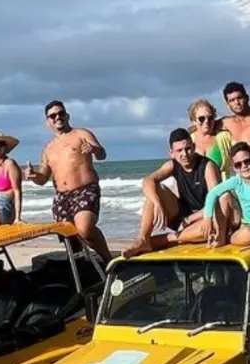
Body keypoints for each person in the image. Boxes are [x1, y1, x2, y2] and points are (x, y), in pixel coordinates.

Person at [24, 100, 112, 262]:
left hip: (85, 189)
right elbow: (43, 178)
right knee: (70, 238)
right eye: (53, 115)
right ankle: (85, 268)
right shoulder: (48, 149)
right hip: (62, 197)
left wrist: (94, 149)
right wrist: (33, 175)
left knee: (85, 229)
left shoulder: (81, 134)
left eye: (61, 113)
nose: (58, 117)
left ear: (67, 115)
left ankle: (109, 259)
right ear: (48, 122)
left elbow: (102, 154)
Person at [124, 128, 224, 257]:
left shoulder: (207, 166)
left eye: (188, 148)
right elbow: (147, 181)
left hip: (203, 218)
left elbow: (215, 202)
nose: (185, 154)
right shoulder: (172, 165)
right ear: (172, 152)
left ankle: (167, 239)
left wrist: (190, 219)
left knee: (212, 228)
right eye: (179, 151)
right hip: (183, 216)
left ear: (193, 147)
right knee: (155, 191)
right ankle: (143, 239)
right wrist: (157, 203)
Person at [187, 142, 250, 248]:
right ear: (235, 168)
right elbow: (212, 193)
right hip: (243, 222)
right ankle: (221, 237)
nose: (244, 166)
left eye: (247, 161)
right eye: (238, 164)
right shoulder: (236, 180)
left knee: (248, 233)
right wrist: (208, 218)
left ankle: (227, 238)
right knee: (224, 196)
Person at [188, 98, 235, 175]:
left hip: (221, 185)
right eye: (201, 118)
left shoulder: (225, 137)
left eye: (210, 118)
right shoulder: (188, 140)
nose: (206, 121)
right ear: (193, 121)